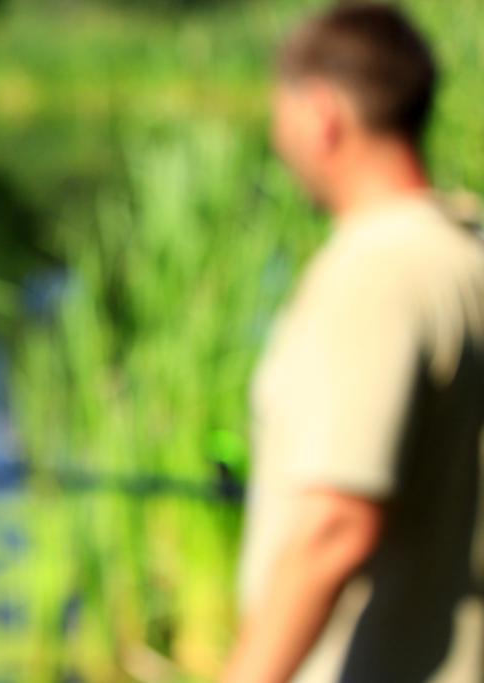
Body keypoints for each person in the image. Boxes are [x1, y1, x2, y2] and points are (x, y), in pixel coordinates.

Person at [221, 4, 484, 683]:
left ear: (319, 113)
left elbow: (336, 525)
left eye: (281, 111)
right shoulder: (466, 250)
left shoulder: (373, 274)